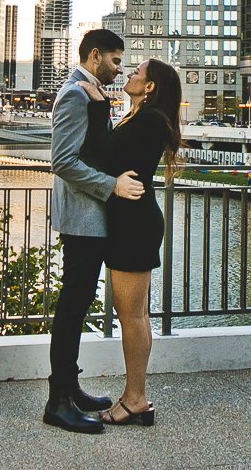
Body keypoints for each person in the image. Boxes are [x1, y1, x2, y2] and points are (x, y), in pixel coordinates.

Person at [43, 29, 144, 434]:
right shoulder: (74, 94)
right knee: (72, 307)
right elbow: (63, 162)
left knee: (78, 303)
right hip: (82, 220)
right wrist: (111, 185)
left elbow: (95, 148)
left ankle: (71, 388)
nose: (119, 70)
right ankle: (58, 402)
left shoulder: (91, 93)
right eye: (116, 61)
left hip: (91, 219)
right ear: (96, 55)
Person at [76, 57, 183, 427]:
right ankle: (135, 397)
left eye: (137, 72)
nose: (129, 74)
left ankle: (135, 399)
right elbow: (112, 158)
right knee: (134, 314)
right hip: (130, 219)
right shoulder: (139, 117)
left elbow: (102, 156)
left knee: (132, 315)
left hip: (135, 222)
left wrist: (97, 106)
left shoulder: (150, 120)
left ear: (150, 86)